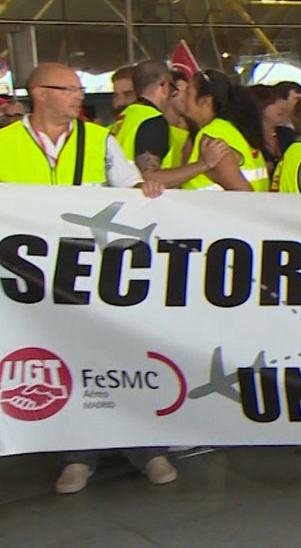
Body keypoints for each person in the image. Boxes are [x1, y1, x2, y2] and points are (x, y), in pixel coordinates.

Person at [0, 63, 173, 495]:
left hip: (98, 271)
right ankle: (76, 454)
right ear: (40, 93)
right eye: (69, 89)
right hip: (33, 278)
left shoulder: (100, 141)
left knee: (119, 355)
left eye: (80, 89)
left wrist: (144, 193)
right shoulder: (4, 144)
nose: (80, 96)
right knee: (59, 361)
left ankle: (145, 447)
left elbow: (130, 190)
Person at [111, 59, 231, 187]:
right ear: (163, 87)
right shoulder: (153, 121)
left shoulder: (124, 118)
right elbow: (149, 178)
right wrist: (204, 164)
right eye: (172, 88)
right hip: (143, 204)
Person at [180, 70, 270, 191]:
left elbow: (243, 193)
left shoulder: (212, 137)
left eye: (188, 92)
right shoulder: (233, 128)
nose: (183, 99)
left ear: (205, 101)